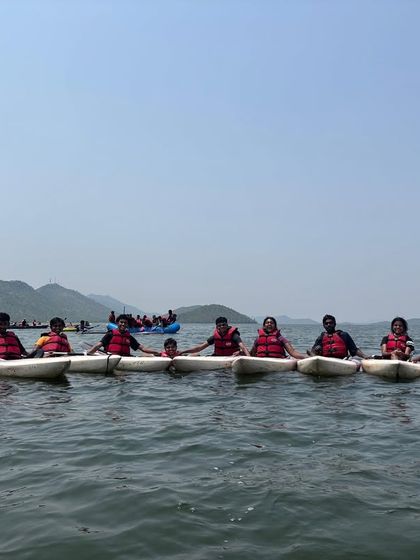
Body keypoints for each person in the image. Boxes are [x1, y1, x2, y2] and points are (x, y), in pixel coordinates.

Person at [87, 314, 158, 356]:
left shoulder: (129, 337)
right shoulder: (110, 334)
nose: (123, 324)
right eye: (121, 322)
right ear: (117, 323)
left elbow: (142, 348)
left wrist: (156, 352)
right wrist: (89, 354)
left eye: (125, 323)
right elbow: (98, 345)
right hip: (111, 358)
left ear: (127, 325)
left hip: (125, 358)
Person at [182, 317, 250, 357]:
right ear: (217, 327)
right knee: (195, 355)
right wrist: (183, 351)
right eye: (219, 325)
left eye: (224, 324)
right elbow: (200, 348)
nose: (222, 326)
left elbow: (243, 347)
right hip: (218, 358)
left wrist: (247, 357)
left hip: (232, 357)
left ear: (227, 325)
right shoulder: (215, 337)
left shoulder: (234, 335)